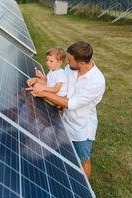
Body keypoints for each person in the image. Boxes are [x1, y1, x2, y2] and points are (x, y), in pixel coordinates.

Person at [27, 41, 106, 178]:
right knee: (64, 153)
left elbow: (71, 103)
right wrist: (39, 81)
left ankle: (84, 190)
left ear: (81, 62)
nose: (67, 63)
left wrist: (43, 92)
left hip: (81, 127)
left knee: (83, 159)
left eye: (69, 60)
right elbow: (59, 86)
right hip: (62, 119)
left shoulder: (96, 81)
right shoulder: (71, 69)